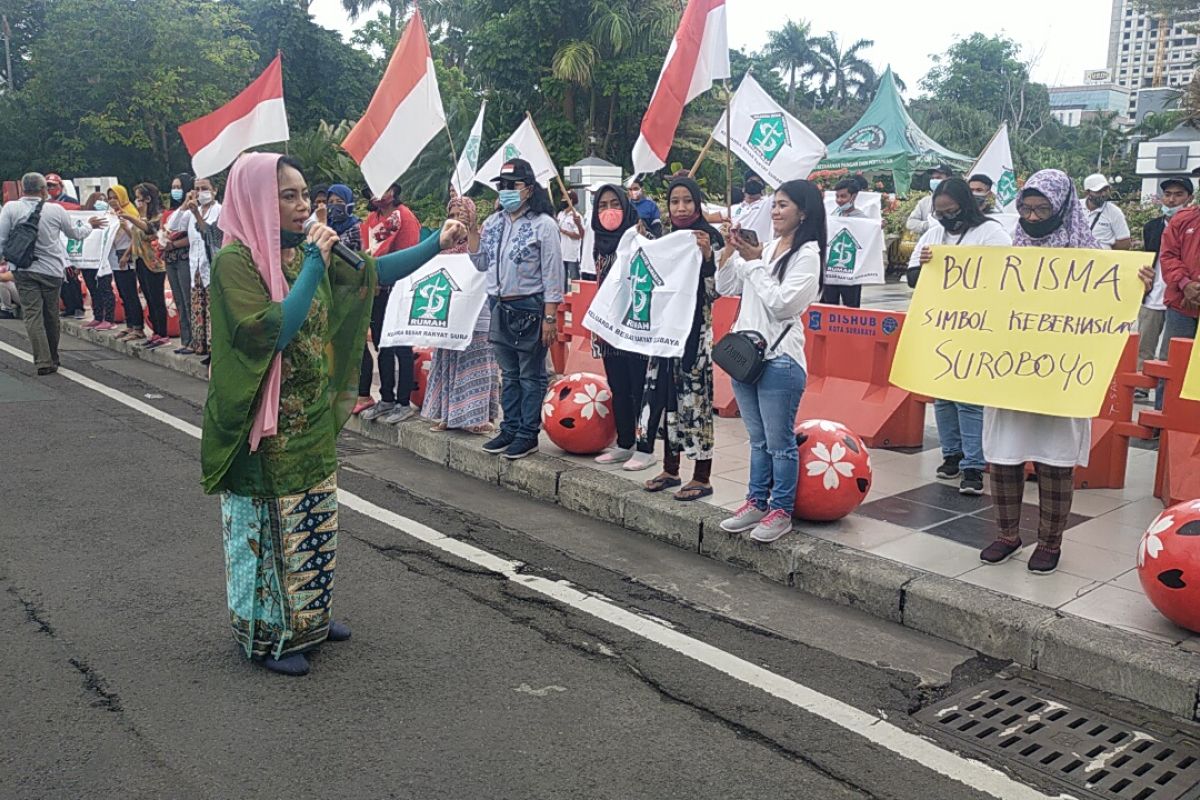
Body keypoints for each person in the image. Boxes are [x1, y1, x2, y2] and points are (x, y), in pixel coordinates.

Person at [201, 152, 465, 676]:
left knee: (314, 522)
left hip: (311, 419)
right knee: (270, 531)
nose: (306, 207)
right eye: (290, 196)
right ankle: (268, 636)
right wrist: (318, 262)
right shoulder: (236, 263)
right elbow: (277, 329)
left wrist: (440, 241)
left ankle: (311, 618)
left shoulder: (308, 250)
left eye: (306, 195)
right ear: (257, 200)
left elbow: (373, 271)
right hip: (264, 429)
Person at [979, 170, 1101, 574]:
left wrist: (1138, 282)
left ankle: (1050, 542)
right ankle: (1007, 534)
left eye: (1042, 209)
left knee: (1054, 460)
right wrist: (936, 266)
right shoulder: (1008, 249)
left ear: (1062, 206)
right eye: (1026, 208)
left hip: (1059, 374)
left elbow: (1111, 307)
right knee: (1005, 456)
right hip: (1010, 372)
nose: (1032, 218)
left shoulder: (1091, 256)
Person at [716, 180, 824, 542]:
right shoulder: (770, 247)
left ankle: (781, 510)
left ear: (803, 212)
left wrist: (753, 265)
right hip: (744, 356)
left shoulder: (808, 255)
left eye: (784, 205)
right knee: (757, 439)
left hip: (780, 360)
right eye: (774, 204)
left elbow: (783, 304)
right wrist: (732, 253)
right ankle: (756, 500)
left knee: (779, 442)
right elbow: (726, 286)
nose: (775, 211)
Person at [907, 178, 1013, 495]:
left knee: (969, 399)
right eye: (940, 212)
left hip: (977, 325)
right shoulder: (934, 234)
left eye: (950, 211)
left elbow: (1004, 275)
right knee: (942, 396)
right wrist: (926, 266)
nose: (945, 217)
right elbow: (913, 278)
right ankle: (951, 454)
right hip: (939, 323)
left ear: (965, 205)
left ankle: (973, 465)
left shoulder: (991, 233)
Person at [630, 177, 720, 500]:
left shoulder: (709, 238)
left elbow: (715, 293)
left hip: (694, 337)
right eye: (674, 201)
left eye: (687, 201)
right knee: (667, 401)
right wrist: (645, 244)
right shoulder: (667, 240)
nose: (681, 207)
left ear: (697, 203)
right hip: (665, 335)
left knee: (695, 403)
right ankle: (671, 468)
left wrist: (708, 258)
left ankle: (702, 475)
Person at [469, 158, 564, 460]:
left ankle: (527, 433)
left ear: (529, 189)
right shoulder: (494, 222)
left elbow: (552, 274)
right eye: (502, 186)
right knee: (508, 374)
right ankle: (508, 428)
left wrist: (550, 317)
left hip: (530, 306)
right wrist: (472, 229)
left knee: (530, 374)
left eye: (513, 186)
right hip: (498, 304)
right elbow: (480, 262)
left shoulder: (544, 225)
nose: (506, 191)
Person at [0, 172, 104, 374]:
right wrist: (90, 226)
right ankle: (53, 356)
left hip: (23, 269)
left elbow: (2, 239)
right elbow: (75, 234)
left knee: (33, 315)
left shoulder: (11, 208)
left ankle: (42, 360)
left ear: (23, 188)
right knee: (51, 315)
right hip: (51, 270)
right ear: (43, 190)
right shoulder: (55, 210)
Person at [423, 196, 499, 435]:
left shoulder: (482, 238)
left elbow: (483, 263)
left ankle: (478, 418)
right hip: (450, 315)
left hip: (478, 313)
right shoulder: (442, 244)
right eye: (453, 215)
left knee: (477, 364)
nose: (456, 221)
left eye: (462, 216)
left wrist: (473, 228)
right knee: (448, 361)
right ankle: (447, 415)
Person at [588, 184, 649, 467]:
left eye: (614, 203)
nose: (608, 210)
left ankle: (645, 449)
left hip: (635, 327)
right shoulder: (598, 243)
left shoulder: (642, 237)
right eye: (602, 205)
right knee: (619, 387)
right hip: (609, 329)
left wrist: (640, 239)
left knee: (640, 387)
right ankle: (625, 443)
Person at [356, 181, 421, 423]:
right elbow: (367, 251)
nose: (376, 194)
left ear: (393, 191)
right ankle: (386, 398)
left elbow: (410, 256)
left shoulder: (404, 217)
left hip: (399, 289)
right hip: (377, 290)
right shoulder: (371, 219)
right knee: (382, 345)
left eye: (381, 188)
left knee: (401, 345)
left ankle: (403, 402)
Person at [1137, 176, 1192, 400]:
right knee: (1144, 342)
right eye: (1168, 194)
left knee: (1170, 351)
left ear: (1189, 198)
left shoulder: (1193, 227)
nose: (1171, 200)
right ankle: (1141, 384)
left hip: (1180, 297)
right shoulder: (1152, 227)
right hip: (1153, 292)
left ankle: (1165, 395)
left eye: (1178, 195)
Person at [1158, 172, 1200, 409]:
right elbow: (1168, 255)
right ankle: (1160, 423)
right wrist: (1186, 284)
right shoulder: (1182, 220)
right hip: (1181, 305)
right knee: (1171, 364)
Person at [168, 176, 221, 361]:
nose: (200, 193)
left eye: (204, 188)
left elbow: (211, 234)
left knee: (213, 310)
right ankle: (201, 346)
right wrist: (185, 204)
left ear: (215, 190)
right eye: (197, 189)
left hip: (212, 267)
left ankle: (216, 350)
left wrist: (197, 215)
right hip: (196, 266)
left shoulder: (219, 211)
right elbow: (172, 225)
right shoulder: (192, 210)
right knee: (198, 306)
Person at [124, 183, 171, 348]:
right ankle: (155, 332)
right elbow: (136, 237)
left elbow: (149, 232)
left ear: (148, 199)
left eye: (140, 199)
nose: (137, 202)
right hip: (140, 260)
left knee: (157, 298)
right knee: (149, 298)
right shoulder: (141, 216)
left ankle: (162, 332)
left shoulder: (158, 217)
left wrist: (134, 217)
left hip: (154, 263)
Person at [106, 185, 147, 343]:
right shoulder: (111, 214)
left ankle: (138, 326)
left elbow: (136, 237)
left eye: (115, 197)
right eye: (109, 198)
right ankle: (130, 324)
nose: (112, 201)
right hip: (115, 256)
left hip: (127, 255)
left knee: (131, 293)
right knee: (123, 292)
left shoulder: (130, 213)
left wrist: (126, 255)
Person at [164, 174, 195, 354]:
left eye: (179, 187)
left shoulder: (195, 209)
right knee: (180, 301)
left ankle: (194, 339)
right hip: (171, 258)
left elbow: (190, 234)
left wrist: (173, 244)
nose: (175, 191)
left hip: (184, 257)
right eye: (173, 187)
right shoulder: (178, 210)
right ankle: (186, 339)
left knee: (188, 299)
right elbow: (172, 225)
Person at [78, 192, 117, 331]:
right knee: (93, 289)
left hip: (103, 260)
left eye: (104, 200)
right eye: (98, 200)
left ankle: (109, 318)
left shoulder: (109, 218)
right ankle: (98, 316)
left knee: (105, 288)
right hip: (88, 259)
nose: (102, 202)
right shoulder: (85, 219)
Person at [1081, 173, 1131, 250]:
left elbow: (1125, 242)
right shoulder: (1075, 207)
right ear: (1087, 193)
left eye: (1105, 190)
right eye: (1098, 191)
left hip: (1102, 258)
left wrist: (1106, 250)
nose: (1103, 194)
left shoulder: (1114, 212)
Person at [906, 164, 955, 235]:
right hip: (928, 243)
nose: (934, 180)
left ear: (949, 179)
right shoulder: (925, 202)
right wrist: (928, 225)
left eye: (938, 178)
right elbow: (910, 223)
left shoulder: (956, 201)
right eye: (933, 178)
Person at [731, 169, 774, 246]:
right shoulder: (734, 208)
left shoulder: (767, 203)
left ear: (762, 187)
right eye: (750, 180)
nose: (753, 183)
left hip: (757, 253)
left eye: (758, 181)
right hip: (735, 252)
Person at [556, 191, 584, 284]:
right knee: (562, 279)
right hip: (561, 252)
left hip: (571, 254)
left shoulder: (576, 216)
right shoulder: (560, 214)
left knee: (574, 280)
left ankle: (575, 297)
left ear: (570, 200)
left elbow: (579, 235)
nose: (562, 200)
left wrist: (564, 231)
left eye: (564, 198)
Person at [324, 184, 361, 251]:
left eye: (339, 201)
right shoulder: (328, 225)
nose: (334, 205)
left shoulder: (357, 228)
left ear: (349, 203)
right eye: (331, 202)